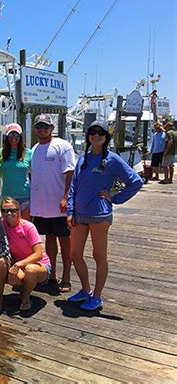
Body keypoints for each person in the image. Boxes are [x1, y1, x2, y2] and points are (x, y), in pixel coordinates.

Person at [67, 121, 143, 310]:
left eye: (100, 132)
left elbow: (135, 181)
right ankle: (85, 290)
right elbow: (73, 187)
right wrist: (70, 211)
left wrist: (114, 197)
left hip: (100, 215)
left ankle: (97, 295)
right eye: (92, 132)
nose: (96, 135)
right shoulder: (82, 158)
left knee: (99, 255)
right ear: (87, 136)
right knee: (75, 254)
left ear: (106, 136)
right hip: (79, 215)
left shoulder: (112, 159)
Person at [30, 114, 75, 293]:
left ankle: (66, 277)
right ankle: (52, 274)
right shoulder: (34, 149)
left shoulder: (63, 145)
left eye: (45, 126)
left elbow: (70, 173)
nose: (42, 129)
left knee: (65, 241)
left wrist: (66, 197)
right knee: (48, 239)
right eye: (39, 126)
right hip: (41, 206)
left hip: (59, 206)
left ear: (52, 128)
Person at [1, 197, 51, 311]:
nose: (9, 213)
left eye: (13, 210)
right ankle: (26, 287)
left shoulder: (28, 227)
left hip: (39, 265)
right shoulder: (2, 225)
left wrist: (18, 264)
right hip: (20, 265)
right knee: (12, 277)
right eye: (5, 210)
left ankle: (25, 297)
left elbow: (38, 254)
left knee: (30, 270)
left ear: (18, 211)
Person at [0, 123, 32, 220]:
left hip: (25, 196)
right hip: (7, 196)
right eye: (11, 134)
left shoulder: (29, 153)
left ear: (20, 136)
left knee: (25, 227)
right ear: (7, 137)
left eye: (16, 134)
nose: (13, 137)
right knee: (8, 229)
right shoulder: (0, 152)